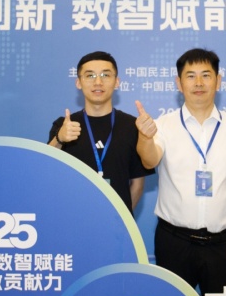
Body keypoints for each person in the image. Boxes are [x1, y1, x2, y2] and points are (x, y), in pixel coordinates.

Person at [134, 48, 226, 296]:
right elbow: (149, 161)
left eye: (206, 75)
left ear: (218, 80)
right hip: (174, 242)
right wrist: (145, 137)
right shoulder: (163, 125)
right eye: (191, 76)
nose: (199, 83)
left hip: (224, 243)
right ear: (179, 83)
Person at [49, 51, 152, 214]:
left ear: (117, 82)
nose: (98, 82)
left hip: (117, 224)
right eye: (90, 76)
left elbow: (137, 184)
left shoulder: (132, 126)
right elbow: (46, 166)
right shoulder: (64, 125)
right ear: (78, 83)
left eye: (105, 75)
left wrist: (120, 220)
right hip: (71, 220)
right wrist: (59, 138)